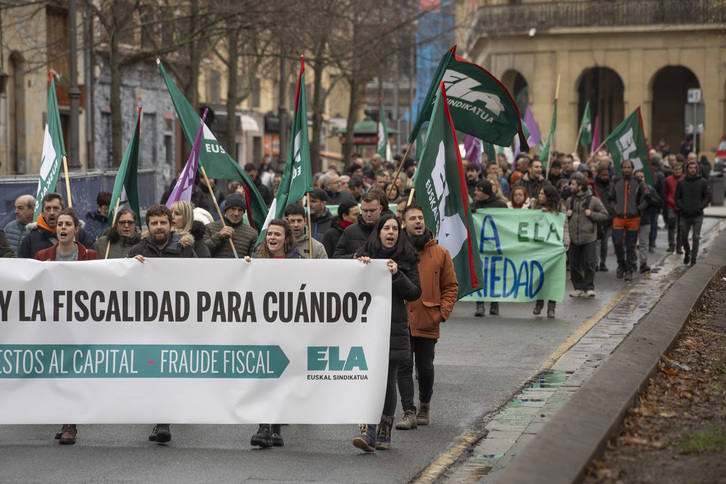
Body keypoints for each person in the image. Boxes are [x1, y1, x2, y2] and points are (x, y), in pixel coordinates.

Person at [128, 204, 197, 444]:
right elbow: (123, 284)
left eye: (163, 223)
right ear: (148, 226)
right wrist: (131, 267)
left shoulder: (187, 250)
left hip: (177, 323)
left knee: (168, 370)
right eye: (154, 223)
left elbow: (202, 279)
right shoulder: (137, 250)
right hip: (148, 325)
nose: (159, 227)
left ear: (172, 224)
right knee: (154, 370)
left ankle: (163, 420)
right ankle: (161, 418)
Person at [353, 214, 421, 452]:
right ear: (378, 232)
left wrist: (396, 274)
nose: (391, 233)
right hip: (364, 324)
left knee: (387, 380)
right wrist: (357, 267)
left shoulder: (406, 259)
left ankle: (383, 430)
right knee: (365, 376)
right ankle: (367, 430)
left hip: (392, 324)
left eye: (394, 229)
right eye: (386, 229)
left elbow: (414, 292)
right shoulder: (363, 254)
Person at [36, 208, 100, 445]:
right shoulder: (43, 256)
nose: (62, 228)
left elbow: (105, 281)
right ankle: (65, 418)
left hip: (81, 326)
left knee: (73, 372)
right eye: (60, 224)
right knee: (57, 373)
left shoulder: (90, 255)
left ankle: (70, 425)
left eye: (67, 224)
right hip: (54, 325)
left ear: (76, 230)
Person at [395, 204, 457, 431]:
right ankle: (408, 411)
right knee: (403, 366)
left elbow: (450, 286)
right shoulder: (395, 250)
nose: (418, 222)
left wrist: (442, 313)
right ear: (404, 223)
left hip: (428, 317)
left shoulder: (440, 253)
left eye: (420, 218)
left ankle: (424, 405)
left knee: (425, 367)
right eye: (412, 218)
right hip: (401, 317)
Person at [245, 218, 300, 448]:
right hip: (263, 328)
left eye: (277, 234)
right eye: (269, 234)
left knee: (281, 377)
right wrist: (244, 269)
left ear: (286, 239)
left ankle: (275, 427)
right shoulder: (256, 260)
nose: (272, 238)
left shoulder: (299, 262)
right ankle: (264, 427)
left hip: (289, 328)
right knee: (265, 375)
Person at [565, 174, 608, 297]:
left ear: (580, 186)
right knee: (574, 264)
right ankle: (578, 287)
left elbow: (605, 215)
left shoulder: (593, 200)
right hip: (573, 238)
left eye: (573, 184)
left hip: (589, 237)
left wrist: (592, 214)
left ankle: (589, 287)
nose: (570, 186)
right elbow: (561, 219)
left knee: (589, 263)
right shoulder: (569, 201)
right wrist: (565, 215)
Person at [18, 193, 94, 259]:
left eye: (56, 208)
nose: (52, 212)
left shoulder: (79, 233)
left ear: (63, 211)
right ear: (42, 213)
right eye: (48, 208)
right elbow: (23, 267)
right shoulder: (31, 238)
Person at [471, 179, 507, 317]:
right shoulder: (473, 206)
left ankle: (494, 303)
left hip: (495, 248)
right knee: (479, 275)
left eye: (477, 190)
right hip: (479, 248)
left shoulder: (500, 206)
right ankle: (479, 304)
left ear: (485, 192)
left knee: (495, 275)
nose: (474, 193)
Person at [532, 186, 569, 318]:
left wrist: (566, 242)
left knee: (553, 277)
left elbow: (564, 226)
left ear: (549, 196)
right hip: (539, 246)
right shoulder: (534, 206)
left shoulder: (560, 208)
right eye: (539, 193)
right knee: (539, 276)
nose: (539, 196)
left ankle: (551, 307)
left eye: (542, 194)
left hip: (553, 246)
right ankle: (539, 302)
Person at [609, 160, 647, 282]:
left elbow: (647, 199)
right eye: (624, 167)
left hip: (633, 218)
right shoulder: (616, 182)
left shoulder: (638, 183)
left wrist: (638, 209)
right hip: (619, 218)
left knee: (631, 246)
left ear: (632, 168)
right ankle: (621, 264)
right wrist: (615, 208)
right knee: (617, 243)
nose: (626, 169)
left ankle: (629, 269)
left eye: (628, 167)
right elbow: (611, 199)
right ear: (621, 169)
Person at [675, 159, 711, 266]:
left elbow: (708, 196)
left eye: (694, 168)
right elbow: (677, 197)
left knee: (696, 237)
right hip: (684, 215)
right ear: (687, 169)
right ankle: (687, 253)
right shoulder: (681, 182)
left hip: (697, 215)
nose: (692, 170)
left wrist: (700, 206)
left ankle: (694, 258)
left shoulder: (702, 182)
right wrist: (682, 207)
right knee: (683, 236)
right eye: (690, 168)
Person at [204, 192, 258, 259]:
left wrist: (249, 259)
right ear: (226, 210)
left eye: (240, 210)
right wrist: (219, 236)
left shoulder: (252, 234)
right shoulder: (210, 227)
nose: (236, 213)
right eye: (233, 209)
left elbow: (254, 257)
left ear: (243, 212)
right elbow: (203, 251)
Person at [333, 192, 383, 259]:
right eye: (365, 211)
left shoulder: (388, 230)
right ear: (361, 209)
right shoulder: (350, 231)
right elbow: (336, 257)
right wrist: (353, 257)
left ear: (380, 209)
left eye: (372, 210)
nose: (368, 214)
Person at [633, 170, 661, 273]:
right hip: (633, 219)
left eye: (642, 177)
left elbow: (658, 202)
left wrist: (649, 199)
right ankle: (632, 263)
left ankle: (643, 263)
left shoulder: (650, 189)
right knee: (632, 243)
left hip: (645, 219)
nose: (640, 179)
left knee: (644, 243)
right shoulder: (631, 189)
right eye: (637, 177)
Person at [593, 167, 613, 271]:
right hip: (596, 218)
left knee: (604, 242)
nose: (605, 177)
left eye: (607, 175)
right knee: (596, 242)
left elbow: (613, 200)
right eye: (603, 175)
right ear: (598, 175)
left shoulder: (611, 186)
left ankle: (603, 262)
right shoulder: (594, 186)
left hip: (608, 218)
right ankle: (595, 263)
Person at [662, 162, 685, 254]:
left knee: (681, 226)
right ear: (672, 170)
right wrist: (667, 200)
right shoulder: (668, 179)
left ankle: (679, 246)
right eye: (676, 169)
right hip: (671, 205)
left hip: (682, 206)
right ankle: (671, 245)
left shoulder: (684, 178)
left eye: (679, 169)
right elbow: (664, 192)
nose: (678, 171)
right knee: (671, 225)